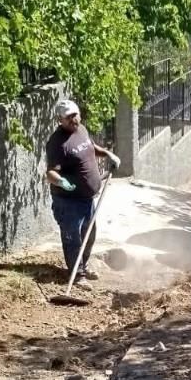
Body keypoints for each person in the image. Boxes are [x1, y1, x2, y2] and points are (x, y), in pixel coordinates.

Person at [44, 99, 120, 280]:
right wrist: (61, 181)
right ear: (60, 120)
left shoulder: (82, 130)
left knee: (89, 235)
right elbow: (50, 173)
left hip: (87, 199)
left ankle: (83, 266)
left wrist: (108, 154)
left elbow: (91, 147)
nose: (73, 119)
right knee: (73, 239)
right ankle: (76, 275)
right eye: (68, 117)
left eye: (75, 115)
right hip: (69, 201)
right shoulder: (57, 143)